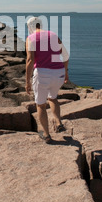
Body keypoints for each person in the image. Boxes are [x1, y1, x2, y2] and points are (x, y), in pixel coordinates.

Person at [25, 16, 69, 144]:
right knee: (53, 98)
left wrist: (27, 81)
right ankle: (59, 123)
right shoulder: (54, 35)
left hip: (43, 74)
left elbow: (30, 60)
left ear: (30, 27)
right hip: (59, 73)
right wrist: (66, 72)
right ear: (41, 25)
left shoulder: (30, 38)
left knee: (41, 105)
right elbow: (65, 56)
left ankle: (47, 134)